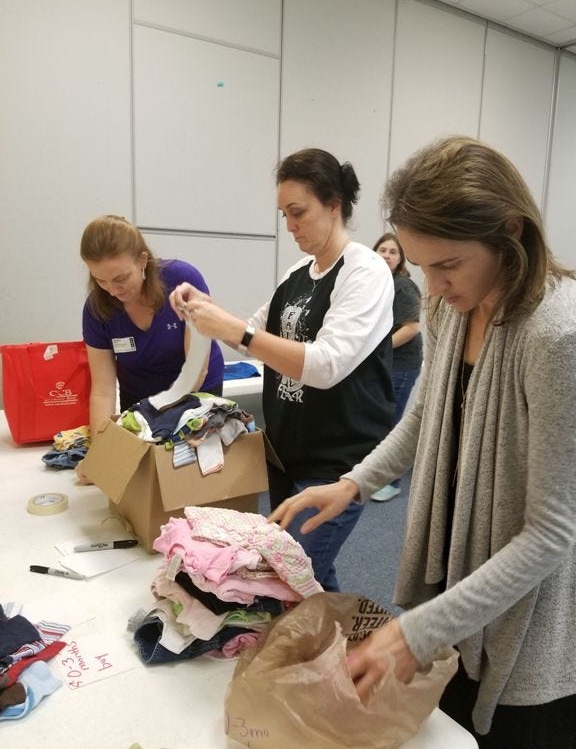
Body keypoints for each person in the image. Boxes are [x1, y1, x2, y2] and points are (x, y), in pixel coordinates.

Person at [269, 136, 576, 748]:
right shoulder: (452, 307)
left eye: (447, 265)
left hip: (528, 616)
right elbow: (423, 420)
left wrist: (414, 633)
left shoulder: (557, 336)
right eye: (421, 266)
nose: (432, 287)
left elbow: (550, 533)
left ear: (510, 232)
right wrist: (353, 483)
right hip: (461, 591)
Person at [170, 148, 396, 592]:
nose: (290, 226)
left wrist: (235, 329)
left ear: (334, 205)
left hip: (334, 464)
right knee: (307, 574)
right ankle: (331, 630)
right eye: (284, 215)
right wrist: (207, 309)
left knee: (288, 580)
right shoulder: (298, 273)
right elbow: (251, 332)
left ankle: (328, 633)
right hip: (287, 455)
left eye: (298, 212)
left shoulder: (365, 272)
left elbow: (327, 365)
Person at [78, 215, 224, 481]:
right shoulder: (96, 309)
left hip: (196, 389)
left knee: (189, 475)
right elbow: (103, 390)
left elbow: (196, 369)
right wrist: (100, 454)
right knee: (142, 478)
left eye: (121, 278)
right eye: (101, 281)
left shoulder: (183, 281)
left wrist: (160, 421)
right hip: (139, 399)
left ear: (142, 260)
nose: (112, 290)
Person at [370, 232, 423, 502]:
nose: (387, 255)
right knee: (377, 420)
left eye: (393, 252)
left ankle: (391, 482)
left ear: (401, 258)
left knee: (390, 423)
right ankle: (375, 476)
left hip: (402, 365)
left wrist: (378, 349)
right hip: (384, 363)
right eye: (383, 250)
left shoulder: (403, 286)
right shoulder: (377, 284)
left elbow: (411, 328)